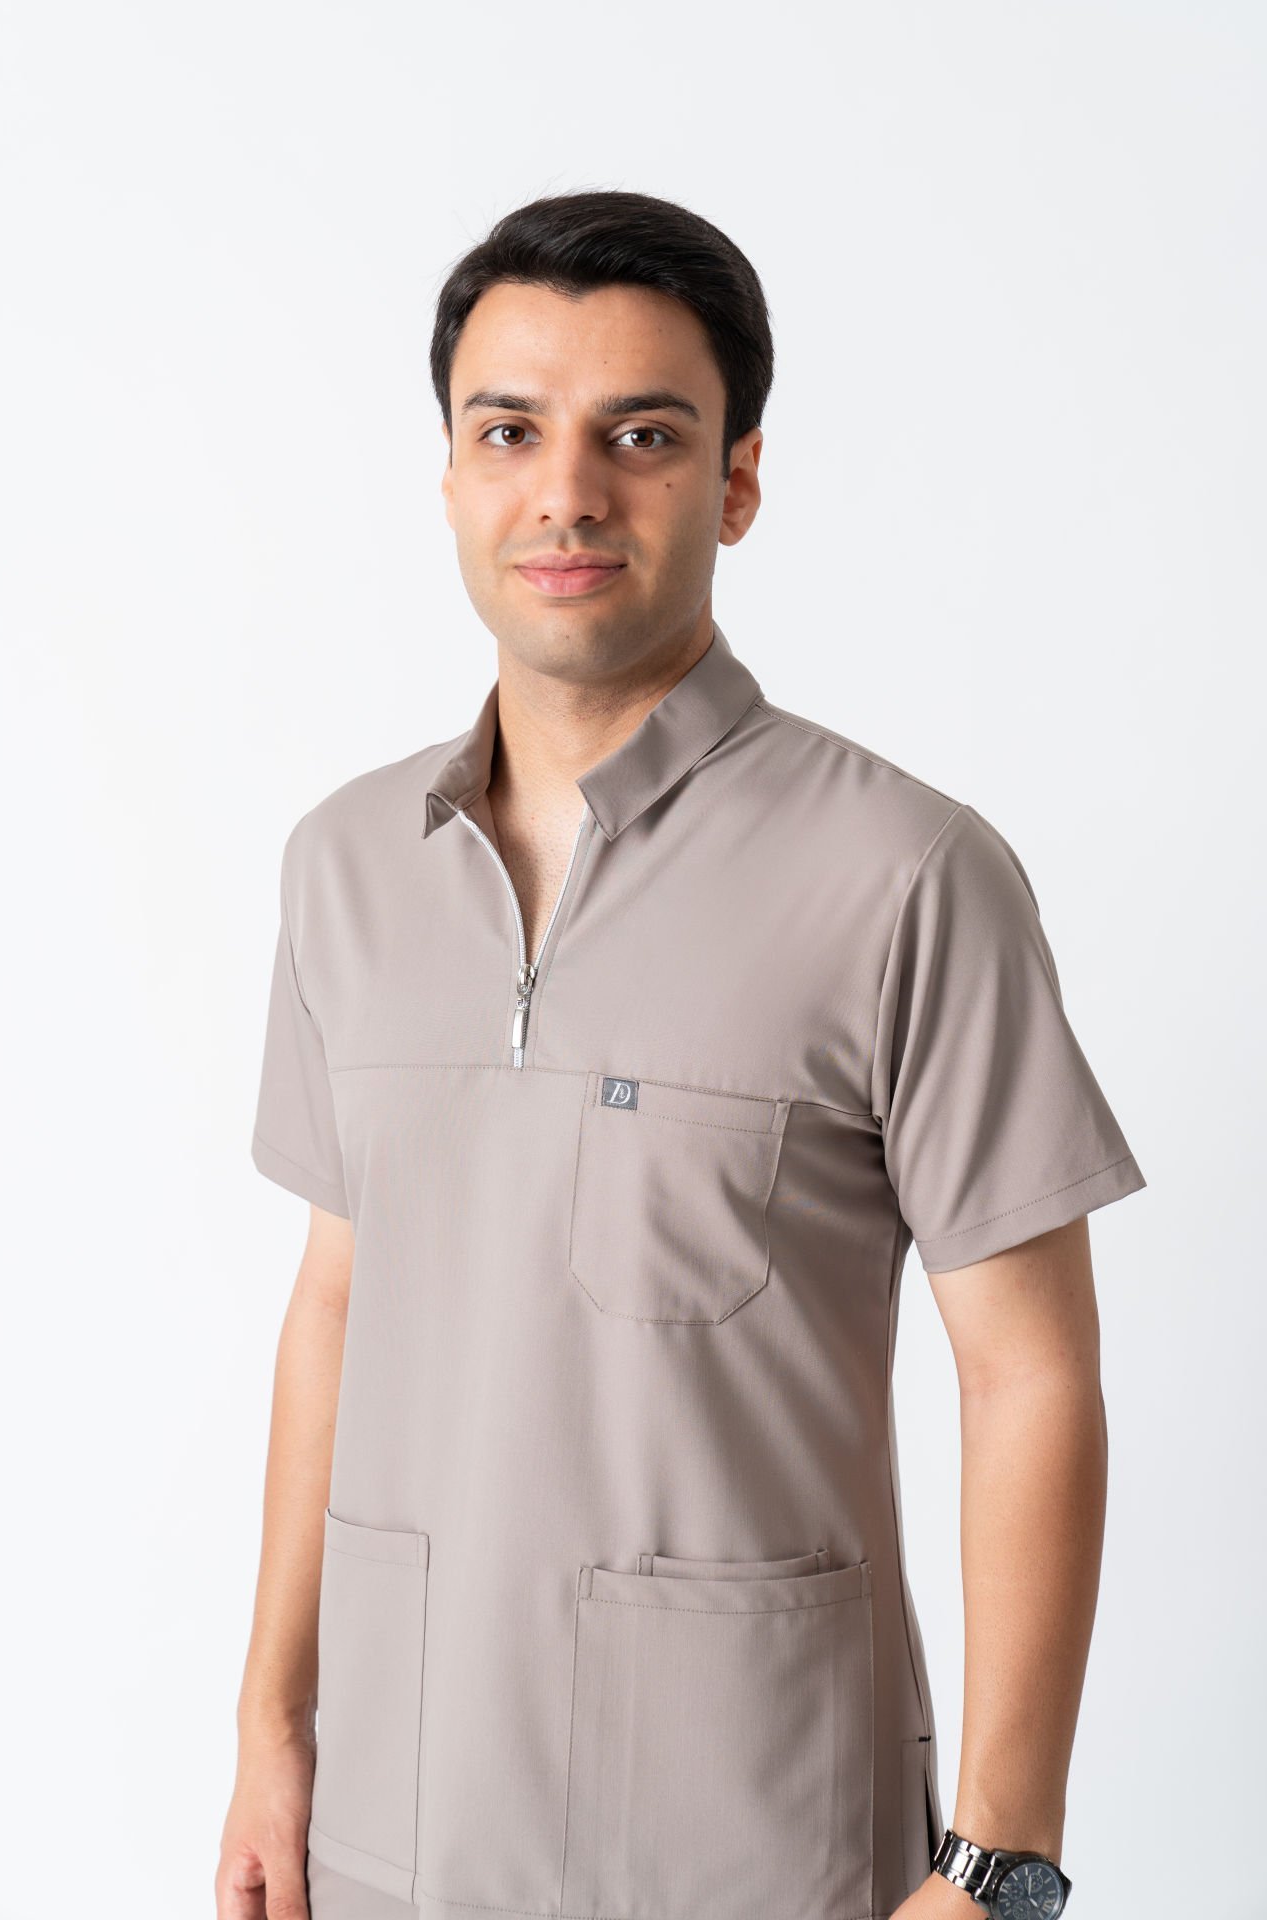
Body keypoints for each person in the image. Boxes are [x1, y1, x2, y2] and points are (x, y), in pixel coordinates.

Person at [216, 189, 1146, 1920]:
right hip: (396, 1839)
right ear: (450, 474)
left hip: (764, 1847)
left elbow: (1030, 1374)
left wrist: (1001, 1863)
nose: (566, 493)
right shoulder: (344, 866)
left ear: (737, 482)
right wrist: (271, 1734)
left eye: (641, 436)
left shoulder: (906, 875)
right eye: (510, 431)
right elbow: (336, 1301)